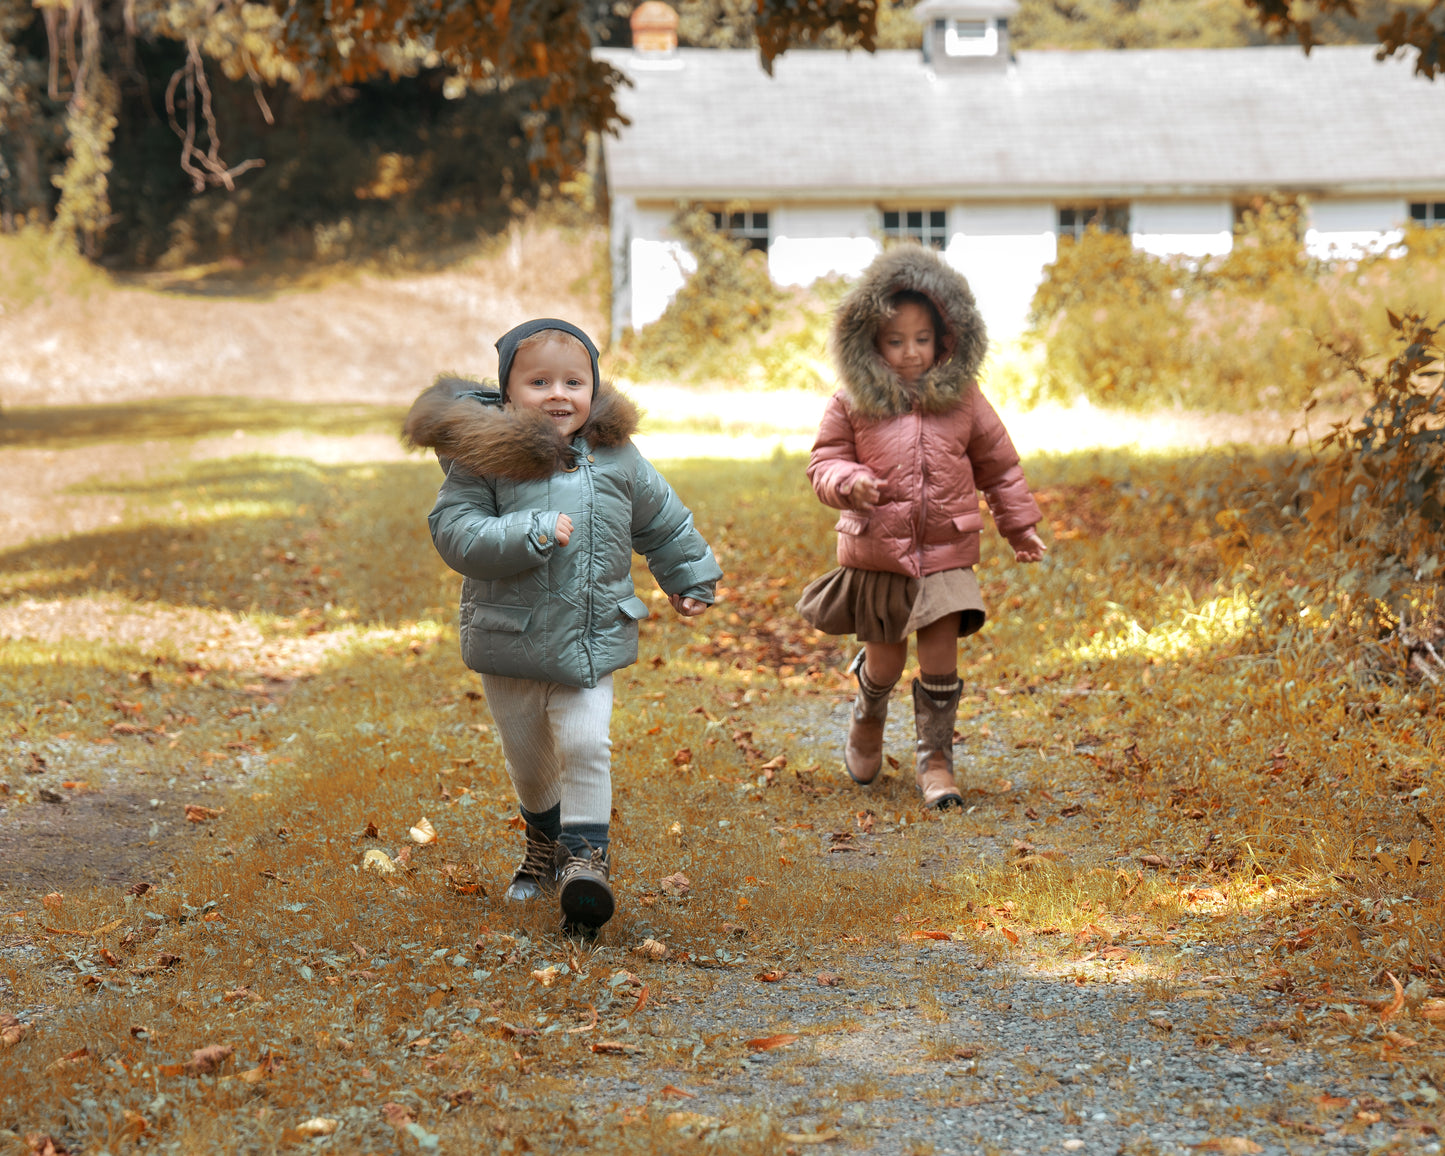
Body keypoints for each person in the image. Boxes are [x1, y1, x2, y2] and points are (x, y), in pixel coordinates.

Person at [403, 318, 721, 935]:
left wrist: (689, 578)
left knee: (585, 743)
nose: (558, 394)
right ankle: (545, 843)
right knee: (530, 763)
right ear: (507, 392)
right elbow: (456, 534)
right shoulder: (484, 460)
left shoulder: (618, 458)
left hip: (590, 637)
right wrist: (531, 532)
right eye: (539, 381)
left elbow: (664, 521)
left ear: (593, 387)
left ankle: (586, 860)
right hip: (509, 638)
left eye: (573, 381)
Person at [797, 247, 1046, 809]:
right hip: (880, 552)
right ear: (870, 342)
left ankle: (936, 760)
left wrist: (1019, 526)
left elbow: (999, 466)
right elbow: (824, 462)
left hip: (946, 550)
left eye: (922, 339)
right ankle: (868, 715)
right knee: (885, 661)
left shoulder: (964, 400)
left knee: (940, 658)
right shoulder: (852, 401)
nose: (910, 353)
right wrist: (849, 480)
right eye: (894, 341)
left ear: (947, 338)